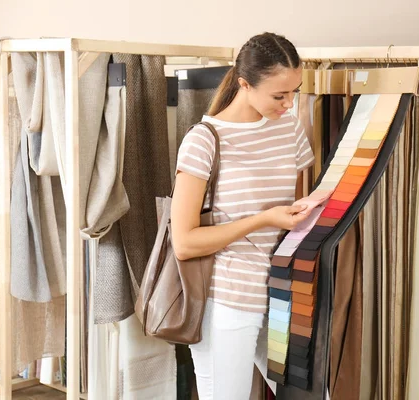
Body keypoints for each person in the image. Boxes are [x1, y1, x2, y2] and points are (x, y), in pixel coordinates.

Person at [170, 32, 315, 399]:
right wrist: (264, 220)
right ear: (244, 85)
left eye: (294, 91)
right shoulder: (205, 140)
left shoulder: (290, 128)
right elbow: (184, 243)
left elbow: (296, 204)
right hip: (230, 299)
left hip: (283, 292)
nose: (289, 103)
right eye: (279, 95)